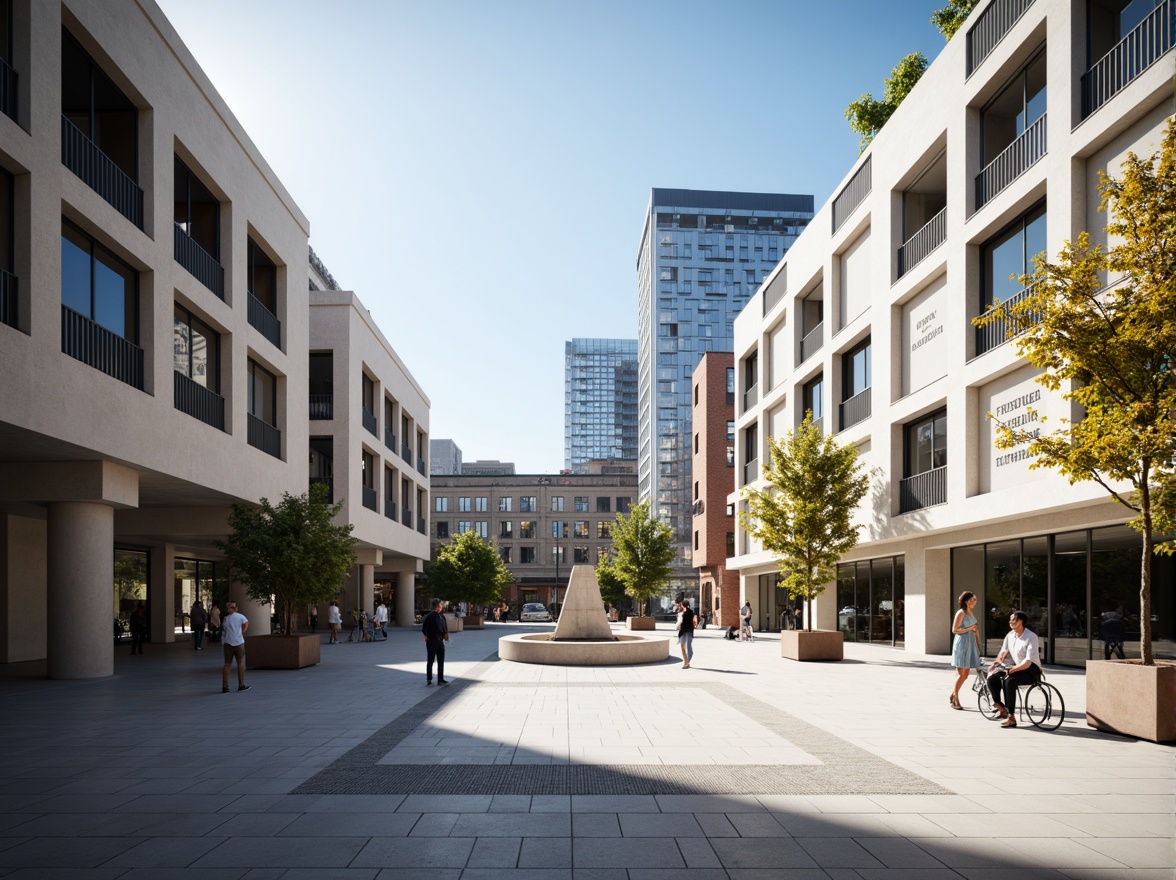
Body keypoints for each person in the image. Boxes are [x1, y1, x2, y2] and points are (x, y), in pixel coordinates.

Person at [986, 610, 1041, 728]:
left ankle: (1011, 718)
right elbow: (1004, 652)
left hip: (1031, 670)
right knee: (992, 678)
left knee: (1009, 680)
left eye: (1015, 622)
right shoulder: (1010, 635)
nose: (1012, 625)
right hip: (1016, 668)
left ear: (1022, 622)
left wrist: (1013, 669)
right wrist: (995, 665)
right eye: (1011, 623)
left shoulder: (1031, 637)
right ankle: (1001, 708)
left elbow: (1027, 662)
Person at [949, 591, 981, 709]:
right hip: (962, 644)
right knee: (962, 674)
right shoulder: (961, 612)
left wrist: (978, 643)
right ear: (967, 601)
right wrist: (970, 628)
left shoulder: (970, 612)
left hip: (970, 644)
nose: (975, 601)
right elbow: (955, 630)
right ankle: (955, 698)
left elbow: (974, 629)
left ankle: (953, 695)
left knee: (965, 674)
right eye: (973, 599)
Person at [220, 601, 250, 693]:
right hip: (239, 642)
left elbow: (224, 631)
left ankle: (225, 687)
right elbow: (246, 623)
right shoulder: (240, 616)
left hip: (228, 643)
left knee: (227, 664)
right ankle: (241, 685)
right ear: (236, 608)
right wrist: (242, 632)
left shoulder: (226, 619)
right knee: (240, 663)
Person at [422, 597, 449, 686]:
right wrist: (425, 636)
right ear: (437, 606)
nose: (442, 606)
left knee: (441, 660)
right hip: (432, 641)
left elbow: (444, 628)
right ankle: (429, 678)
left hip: (440, 642)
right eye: (441, 604)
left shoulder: (442, 616)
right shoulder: (430, 616)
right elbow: (424, 628)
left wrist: (445, 634)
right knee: (431, 660)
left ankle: (440, 679)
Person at [675, 593, 696, 669]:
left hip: (683, 631)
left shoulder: (682, 613)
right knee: (688, 646)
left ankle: (686, 662)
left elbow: (679, 622)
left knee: (683, 647)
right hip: (690, 630)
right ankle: (687, 662)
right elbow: (694, 622)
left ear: (683, 605)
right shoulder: (691, 612)